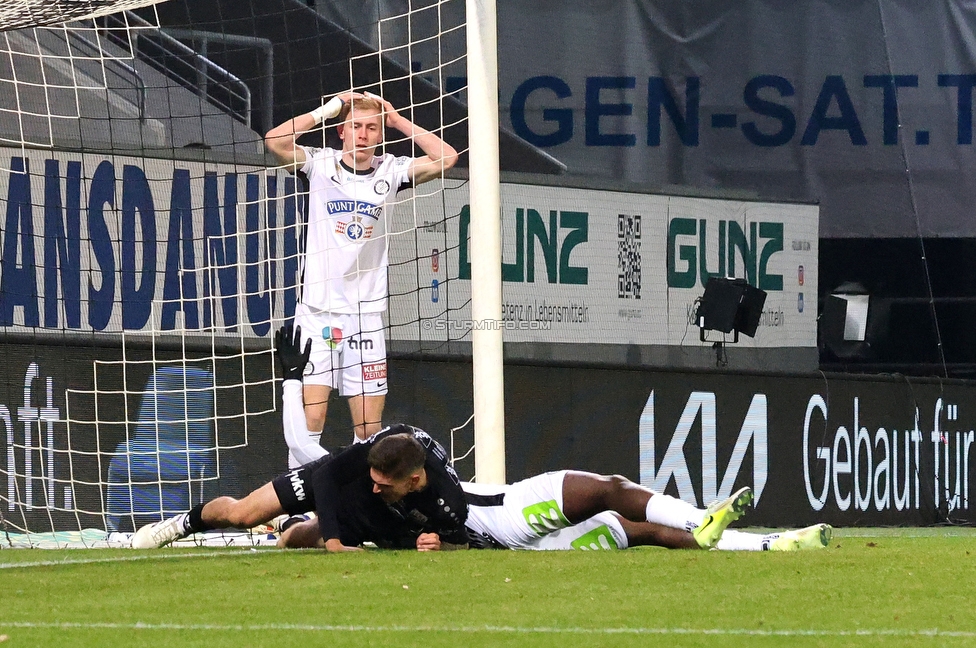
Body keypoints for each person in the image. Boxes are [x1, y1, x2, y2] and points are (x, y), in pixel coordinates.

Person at [272, 324, 832, 554]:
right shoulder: (373, 513)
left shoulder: (368, 489)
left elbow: (305, 452)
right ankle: (714, 524)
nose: (371, 489)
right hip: (509, 525)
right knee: (618, 505)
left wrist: (292, 377)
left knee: (630, 520)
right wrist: (301, 535)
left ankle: (770, 544)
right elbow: (307, 523)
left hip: (512, 532)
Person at [264, 90, 458, 461]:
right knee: (313, 417)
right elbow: (274, 140)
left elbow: (447, 158)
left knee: (369, 428)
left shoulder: (391, 170)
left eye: (371, 127)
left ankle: (357, 501)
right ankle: (297, 508)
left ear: (380, 134)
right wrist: (330, 108)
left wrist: (397, 119)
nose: (364, 134)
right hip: (317, 311)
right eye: (355, 126)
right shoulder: (321, 164)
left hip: (365, 315)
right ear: (342, 132)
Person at [130, 342, 470, 552]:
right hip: (337, 482)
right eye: (374, 477)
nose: (376, 484)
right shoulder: (386, 444)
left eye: (384, 483)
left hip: (378, 523)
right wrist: (334, 544)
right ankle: (180, 524)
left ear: (413, 481)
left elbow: (459, 542)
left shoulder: (449, 500)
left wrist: (435, 545)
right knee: (243, 515)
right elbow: (326, 476)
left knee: (291, 542)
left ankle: (293, 525)